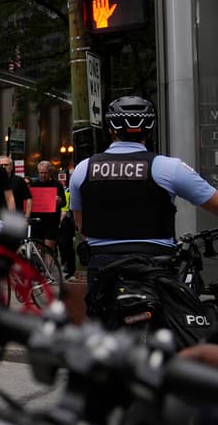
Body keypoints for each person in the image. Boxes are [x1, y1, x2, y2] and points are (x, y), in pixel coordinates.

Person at [70, 96, 218, 293]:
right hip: (155, 265)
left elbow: (81, 225)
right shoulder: (169, 167)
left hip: (102, 266)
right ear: (150, 129)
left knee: (100, 321)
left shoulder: (83, 169)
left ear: (111, 129)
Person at [28, 160, 67, 267]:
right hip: (37, 221)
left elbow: (64, 203)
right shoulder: (34, 185)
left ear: (50, 172)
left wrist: (59, 201)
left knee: (49, 249)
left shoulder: (57, 185)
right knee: (37, 248)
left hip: (51, 221)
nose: (43, 175)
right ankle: (39, 271)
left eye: (45, 173)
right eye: (41, 173)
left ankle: (47, 273)